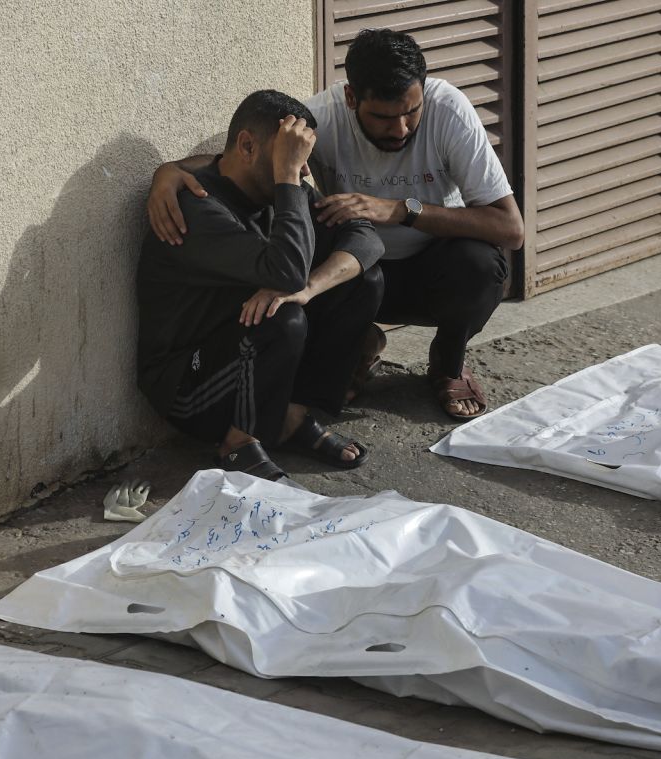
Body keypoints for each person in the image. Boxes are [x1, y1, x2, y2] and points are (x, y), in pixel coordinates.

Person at [148, 29, 524, 420]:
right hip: (355, 274)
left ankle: (447, 363)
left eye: (411, 112)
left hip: (432, 272)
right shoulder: (323, 117)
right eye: (382, 117)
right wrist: (169, 171)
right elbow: (245, 156)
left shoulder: (449, 112)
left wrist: (400, 211)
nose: (400, 130)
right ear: (351, 98)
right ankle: (355, 350)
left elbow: (511, 229)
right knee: (327, 265)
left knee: (481, 265)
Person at [136, 90, 385, 481]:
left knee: (362, 278)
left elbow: (367, 239)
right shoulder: (195, 210)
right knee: (283, 315)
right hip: (187, 385)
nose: (303, 175)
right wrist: (286, 176)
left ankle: (291, 417)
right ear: (248, 146)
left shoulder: (279, 189)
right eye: (290, 159)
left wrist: (311, 288)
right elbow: (285, 272)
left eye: (302, 161)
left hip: (249, 357)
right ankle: (239, 442)